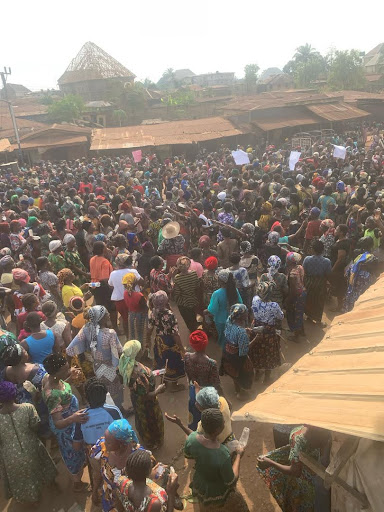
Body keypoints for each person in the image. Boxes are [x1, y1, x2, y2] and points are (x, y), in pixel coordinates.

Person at [0, 381, 57, 504]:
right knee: (43, 467)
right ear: (14, 394)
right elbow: (35, 426)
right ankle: (52, 485)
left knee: (20, 479)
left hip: (9, 456)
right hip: (32, 447)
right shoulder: (27, 408)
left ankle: (31, 500)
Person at [184, 408, 249, 511]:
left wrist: (179, 423)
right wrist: (238, 456)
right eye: (222, 422)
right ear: (218, 430)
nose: (224, 422)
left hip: (201, 485)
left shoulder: (191, 439)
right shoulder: (222, 453)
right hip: (218, 491)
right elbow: (231, 481)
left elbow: (189, 454)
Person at [41, 354, 89, 492]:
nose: (68, 370)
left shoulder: (49, 378)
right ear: (55, 373)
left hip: (71, 418)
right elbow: (58, 423)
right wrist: (73, 418)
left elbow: (62, 387)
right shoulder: (52, 395)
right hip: (66, 427)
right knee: (72, 452)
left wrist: (70, 379)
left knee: (78, 446)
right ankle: (76, 482)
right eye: (65, 369)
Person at [257, 425, 329, 512]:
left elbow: (295, 471)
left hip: (304, 486)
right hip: (319, 480)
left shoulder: (298, 438)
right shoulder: (327, 434)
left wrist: (270, 463)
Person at [66, 305, 124, 408]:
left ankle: (108, 409)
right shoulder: (110, 334)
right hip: (110, 367)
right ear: (101, 318)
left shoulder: (86, 329)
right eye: (106, 314)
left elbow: (70, 350)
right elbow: (119, 351)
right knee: (115, 390)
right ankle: (119, 410)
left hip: (97, 366)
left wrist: (69, 367)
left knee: (104, 390)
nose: (109, 315)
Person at [119, 340, 165, 450]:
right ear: (135, 353)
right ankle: (153, 442)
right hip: (147, 403)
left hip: (135, 398)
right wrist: (158, 390)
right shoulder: (140, 373)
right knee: (151, 421)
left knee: (140, 418)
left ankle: (146, 438)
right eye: (139, 350)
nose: (141, 351)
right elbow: (146, 396)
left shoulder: (124, 362)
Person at [91, 418, 140, 510]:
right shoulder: (101, 449)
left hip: (128, 503)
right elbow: (97, 473)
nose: (104, 443)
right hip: (108, 498)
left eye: (108, 442)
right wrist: (94, 491)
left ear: (121, 444)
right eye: (105, 439)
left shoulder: (138, 458)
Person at [115, 449, 179, 512]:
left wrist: (151, 480)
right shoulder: (155, 503)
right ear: (149, 472)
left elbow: (119, 507)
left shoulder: (121, 482)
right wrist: (171, 493)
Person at [184, 330, 223, 429]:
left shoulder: (187, 357)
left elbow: (188, 375)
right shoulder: (211, 363)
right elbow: (216, 384)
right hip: (207, 396)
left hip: (193, 393)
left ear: (192, 345)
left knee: (194, 419)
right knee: (209, 422)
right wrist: (224, 398)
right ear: (206, 344)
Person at [148, 290, 185, 390]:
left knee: (162, 360)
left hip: (159, 341)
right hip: (170, 341)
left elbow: (150, 328)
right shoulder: (169, 315)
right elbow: (175, 334)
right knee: (173, 361)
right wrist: (182, 349)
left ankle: (163, 381)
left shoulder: (153, 313)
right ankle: (173, 386)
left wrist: (148, 341)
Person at [250, 281, 283, 384]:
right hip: (269, 332)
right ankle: (267, 378)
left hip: (256, 329)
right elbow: (280, 317)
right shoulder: (274, 305)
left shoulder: (255, 300)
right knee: (269, 353)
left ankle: (257, 373)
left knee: (256, 351)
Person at [221, 304, 254, 399]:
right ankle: (242, 393)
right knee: (244, 374)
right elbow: (244, 350)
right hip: (237, 357)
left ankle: (237, 390)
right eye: (246, 313)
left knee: (234, 374)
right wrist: (256, 339)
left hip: (227, 353)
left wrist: (244, 330)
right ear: (241, 316)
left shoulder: (229, 320)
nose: (247, 313)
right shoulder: (242, 333)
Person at [109, 254, 143, 337]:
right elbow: (142, 282)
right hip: (134, 299)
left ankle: (128, 337)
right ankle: (139, 337)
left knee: (125, 320)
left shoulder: (113, 273)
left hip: (119, 301)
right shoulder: (133, 272)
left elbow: (110, 285)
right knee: (137, 319)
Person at [207, 269, 242, 349]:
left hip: (220, 320)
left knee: (222, 336)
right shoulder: (235, 290)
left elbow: (213, 309)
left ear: (220, 281)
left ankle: (224, 350)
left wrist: (206, 311)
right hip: (233, 318)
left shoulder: (216, 293)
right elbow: (240, 303)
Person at [344, 236, 378, 312]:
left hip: (353, 279)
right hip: (364, 282)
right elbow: (375, 271)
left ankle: (349, 311)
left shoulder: (356, 253)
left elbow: (351, 266)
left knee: (352, 294)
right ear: (372, 245)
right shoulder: (373, 258)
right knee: (362, 298)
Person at [303, 240, 332, 324]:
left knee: (309, 300)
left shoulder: (307, 259)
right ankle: (318, 320)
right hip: (320, 284)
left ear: (313, 249)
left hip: (308, 282)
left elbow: (304, 271)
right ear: (322, 250)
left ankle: (309, 316)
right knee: (319, 302)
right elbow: (328, 274)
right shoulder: (327, 261)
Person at [90, 241, 117, 328]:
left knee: (100, 306)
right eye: (105, 247)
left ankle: (103, 327)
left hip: (94, 285)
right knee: (112, 308)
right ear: (102, 249)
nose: (107, 248)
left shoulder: (92, 259)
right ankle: (115, 327)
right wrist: (112, 288)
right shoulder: (105, 262)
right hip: (103, 286)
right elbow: (105, 278)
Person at [173, 256, 199, 332]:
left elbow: (177, 293)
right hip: (194, 300)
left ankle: (192, 332)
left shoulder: (177, 278)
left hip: (184, 302)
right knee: (194, 317)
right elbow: (197, 286)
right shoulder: (194, 273)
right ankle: (196, 331)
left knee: (188, 320)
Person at [123, 272, 148, 347]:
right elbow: (145, 307)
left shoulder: (125, 293)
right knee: (141, 333)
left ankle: (133, 348)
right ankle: (140, 349)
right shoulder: (139, 295)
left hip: (131, 314)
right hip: (140, 315)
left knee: (132, 333)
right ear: (135, 283)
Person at [329, 224, 351, 312]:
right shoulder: (340, 240)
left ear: (341, 232)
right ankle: (340, 305)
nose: (335, 230)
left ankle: (339, 307)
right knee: (339, 286)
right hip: (338, 267)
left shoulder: (342, 243)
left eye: (337, 229)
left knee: (339, 287)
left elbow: (340, 258)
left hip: (338, 268)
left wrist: (333, 269)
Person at [286, 252, 307, 339]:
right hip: (303, 292)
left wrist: (288, 300)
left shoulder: (292, 274)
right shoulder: (300, 267)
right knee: (300, 312)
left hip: (297, 295)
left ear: (289, 261)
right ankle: (301, 331)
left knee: (294, 314)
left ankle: (296, 335)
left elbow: (293, 290)